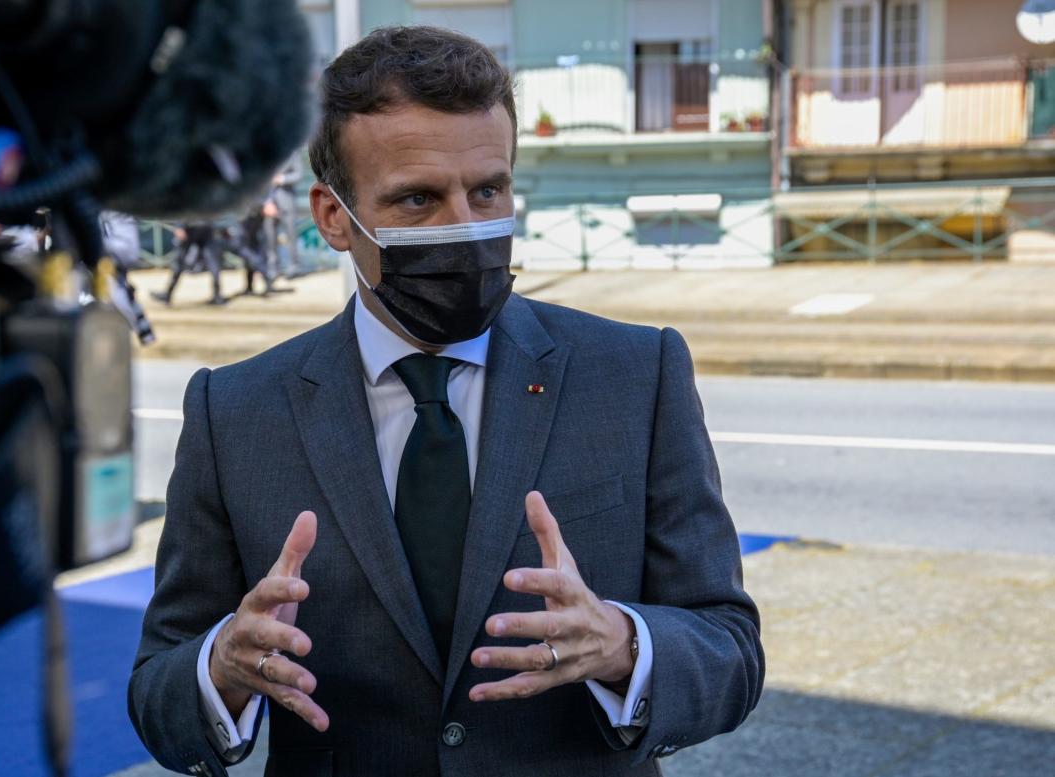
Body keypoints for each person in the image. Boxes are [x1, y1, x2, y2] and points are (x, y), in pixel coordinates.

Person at [129, 26, 763, 777]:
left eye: (488, 189)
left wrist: (624, 646)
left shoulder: (635, 372)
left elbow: (730, 649)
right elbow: (158, 688)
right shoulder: (232, 411)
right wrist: (221, 669)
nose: (466, 228)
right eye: (418, 199)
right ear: (334, 217)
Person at [152, 222, 226, 306]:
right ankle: (168, 294)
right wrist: (179, 226)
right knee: (179, 265)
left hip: (206, 232)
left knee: (213, 264)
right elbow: (183, 210)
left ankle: (217, 296)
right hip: (190, 230)